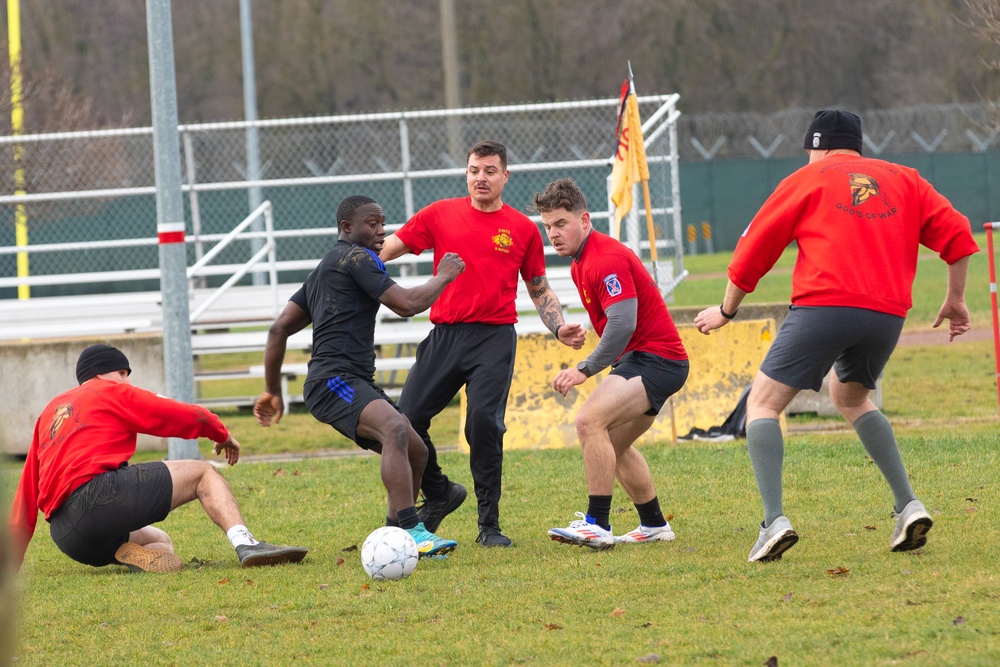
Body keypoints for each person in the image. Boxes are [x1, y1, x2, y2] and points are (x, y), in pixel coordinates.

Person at [694, 109, 980, 562]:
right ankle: (908, 505)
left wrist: (727, 310)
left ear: (819, 147)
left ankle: (773, 522)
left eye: (809, 152)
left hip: (825, 305)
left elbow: (753, 249)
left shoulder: (807, 179)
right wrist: (956, 298)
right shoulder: (905, 179)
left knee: (763, 403)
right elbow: (959, 235)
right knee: (850, 396)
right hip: (887, 315)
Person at [379, 140, 586, 548]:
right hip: (445, 335)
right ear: (466, 174)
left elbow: (539, 287)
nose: (481, 178)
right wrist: (351, 264)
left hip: (494, 338)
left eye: (490, 171)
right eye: (474, 170)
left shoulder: (523, 229)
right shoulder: (439, 214)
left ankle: (488, 525)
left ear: (505, 176)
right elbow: (388, 249)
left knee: (483, 426)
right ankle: (440, 492)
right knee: (405, 420)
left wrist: (557, 326)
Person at [253, 195, 466, 558]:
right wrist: (444, 276)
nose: (382, 231)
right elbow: (407, 305)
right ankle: (413, 530)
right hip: (333, 381)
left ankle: (391, 535)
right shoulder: (357, 257)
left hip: (351, 380)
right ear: (346, 228)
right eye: (372, 224)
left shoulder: (326, 267)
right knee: (394, 429)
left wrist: (273, 391)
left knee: (416, 449)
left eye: (383, 223)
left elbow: (278, 330)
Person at [7, 344, 308, 574]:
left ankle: (128, 554)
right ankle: (246, 544)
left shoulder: (50, 412)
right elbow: (181, 415)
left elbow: (26, 491)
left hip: (67, 535)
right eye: (122, 372)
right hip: (98, 498)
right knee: (204, 473)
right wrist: (221, 433)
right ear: (101, 374)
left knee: (161, 542)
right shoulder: (111, 392)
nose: (125, 380)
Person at [531, 178, 690, 550]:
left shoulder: (606, 258)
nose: (553, 234)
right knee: (610, 446)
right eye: (547, 227)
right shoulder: (580, 263)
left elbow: (623, 324)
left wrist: (583, 368)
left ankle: (597, 524)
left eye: (560, 224)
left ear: (584, 220)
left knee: (589, 422)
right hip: (647, 360)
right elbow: (615, 320)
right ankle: (653, 524)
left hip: (655, 360)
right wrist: (577, 332)